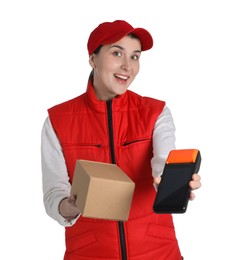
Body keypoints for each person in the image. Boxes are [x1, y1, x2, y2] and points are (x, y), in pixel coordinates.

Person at [41, 20, 201, 260]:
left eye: (135, 57)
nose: (127, 66)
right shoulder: (57, 120)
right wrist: (72, 205)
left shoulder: (156, 112)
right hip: (89, 253)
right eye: (117, 53)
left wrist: (170, 184)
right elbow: (54, 193)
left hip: (158, 252)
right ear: (93, 59)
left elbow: (163, 161)